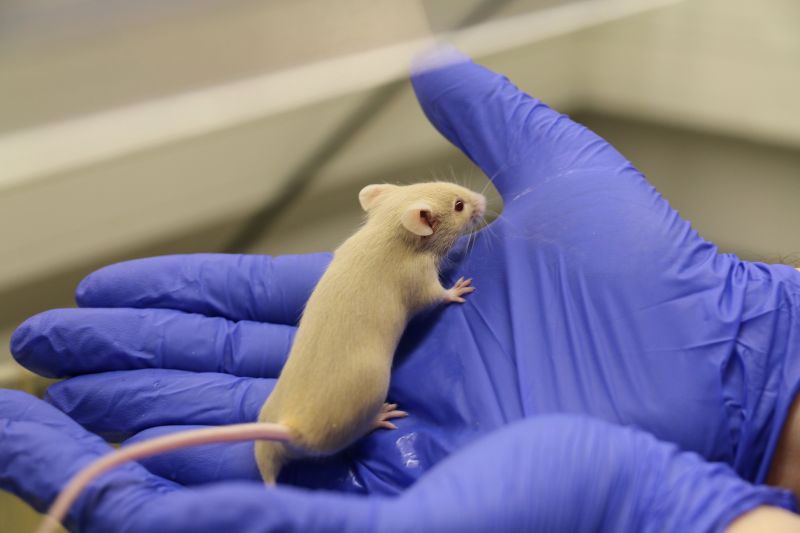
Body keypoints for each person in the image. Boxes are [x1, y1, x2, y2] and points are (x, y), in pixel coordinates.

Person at [2, 47, 799, 531]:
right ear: (418, 219)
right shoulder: (419, 259)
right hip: (338, 414)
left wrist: (756, 362)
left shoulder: (395, 233)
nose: (471, 209)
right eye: (456, 208)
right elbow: (417, 292)